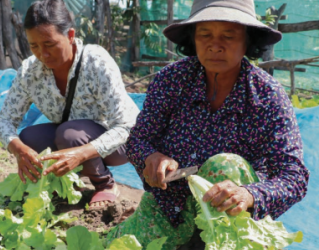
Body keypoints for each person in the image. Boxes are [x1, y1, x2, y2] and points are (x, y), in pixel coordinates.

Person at [107, 0, 310, 248]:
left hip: (230, 221)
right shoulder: (172, 80)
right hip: (170, 208)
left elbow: (294, 177)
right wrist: (151, 157)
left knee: (224, 165)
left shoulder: (267, 95)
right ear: (193, 39)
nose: (215, 46)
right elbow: (139, 139)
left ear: (248, 41)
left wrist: (248, 195)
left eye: (228, 36)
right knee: (111, 245)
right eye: (205, 35)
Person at [0, 0, 139, 210]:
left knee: (69, 135)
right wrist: (18, 149)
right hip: (72, 136)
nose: (42, 54)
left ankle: (104, 184)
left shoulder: (95, 61)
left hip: (120, 144)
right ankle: (63, 183)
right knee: (29, 138)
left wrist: (80, 153)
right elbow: (4, 119)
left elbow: (125, 126)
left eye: (49, 44)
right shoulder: (30, 72)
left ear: (70, 36)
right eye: (34, 46)